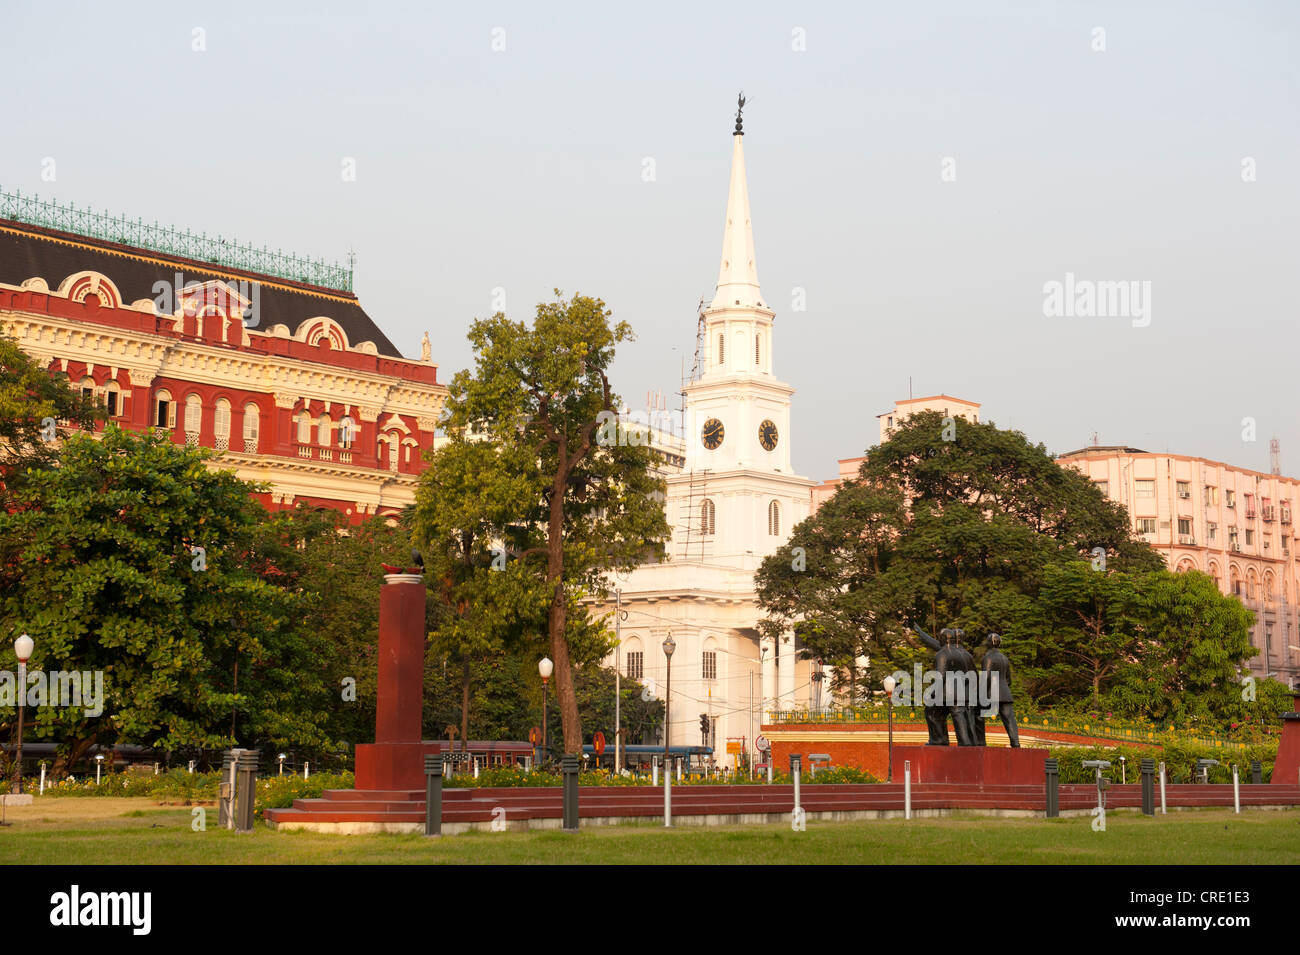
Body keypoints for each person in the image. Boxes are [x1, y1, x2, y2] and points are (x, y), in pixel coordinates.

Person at [982, 633, 1020, 747]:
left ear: (989, 643)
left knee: (976, 715)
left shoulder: (988, 657)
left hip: (991, 692)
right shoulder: (1004, 658)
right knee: (1009, 719)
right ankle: (1016, 743)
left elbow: (986, 677)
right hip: (1005, 693)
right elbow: (1009, 680)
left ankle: (979, 743)